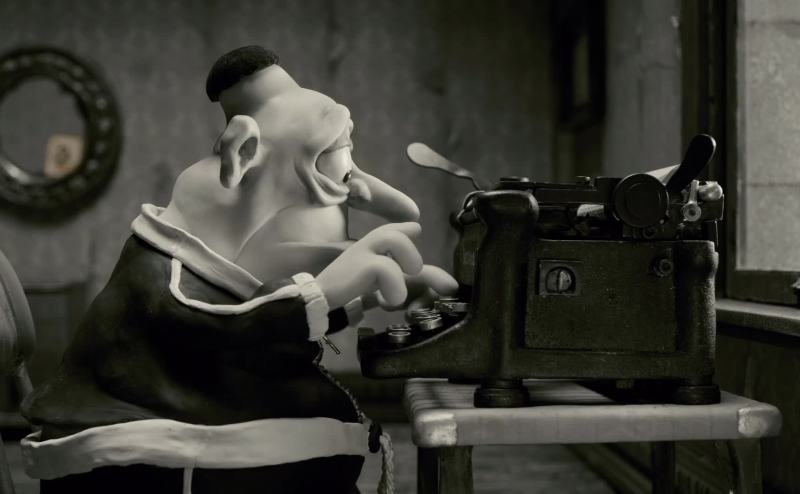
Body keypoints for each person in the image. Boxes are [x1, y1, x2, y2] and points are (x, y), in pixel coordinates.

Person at [21, 46, 457, 494]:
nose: (352, 193)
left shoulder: (224, 261)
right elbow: (226, 325)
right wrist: (324, 290)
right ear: (244, 151)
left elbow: (263, 312)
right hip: (139, 454)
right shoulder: (159, 274)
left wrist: (363, 296)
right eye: (334, 168)